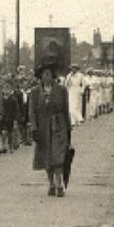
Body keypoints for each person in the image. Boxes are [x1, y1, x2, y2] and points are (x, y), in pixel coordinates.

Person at [28, 59, 71, 197]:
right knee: (46, 156)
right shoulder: (34, 92)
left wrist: (69, 128)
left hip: (59, 126)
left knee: (58, 155)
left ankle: (59, 184)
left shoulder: (62, 90)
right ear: (40, 76)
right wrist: (34, 128)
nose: (46, 76)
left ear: (53, 76)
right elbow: (32, 112)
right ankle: (51, 183)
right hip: (43, 127)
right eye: (44, 74)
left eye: (49, 74)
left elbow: (65, 110)